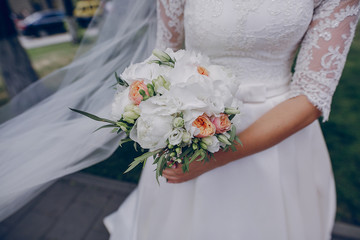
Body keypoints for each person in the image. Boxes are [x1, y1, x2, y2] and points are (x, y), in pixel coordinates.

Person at [103, 0, 360, 240]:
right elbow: (163, 60)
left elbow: (313, 95)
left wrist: (213, 160)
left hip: (278, 132)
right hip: (190, 125)